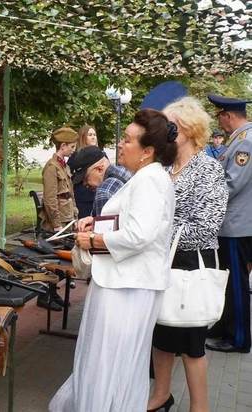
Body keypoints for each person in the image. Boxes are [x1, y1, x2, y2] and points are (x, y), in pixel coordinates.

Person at [49, 109, 178, 412]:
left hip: (128, 287)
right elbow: (132, 224)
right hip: (125, 282)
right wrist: (98, 223)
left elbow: (139, 235)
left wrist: (94, 240)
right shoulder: (145, 177)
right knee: (111, 364)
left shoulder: (150, 180)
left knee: (109, 363)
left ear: (148, 151)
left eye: (129, 140)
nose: (121, 144)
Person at [147, 97, 228, 412]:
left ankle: (200, 406)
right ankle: (160, 396)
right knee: (161, 335)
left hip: (192, 264)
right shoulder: (164, 166)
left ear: (189, 129)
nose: (164, 131)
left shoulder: (208, 168)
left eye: (171, 126)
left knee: (192, 344)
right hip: (161, 263)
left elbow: (207, 228)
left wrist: (159, 234)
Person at [205, 94, 252, 353]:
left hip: (237, 225)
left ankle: (239, 338)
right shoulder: (238, 140)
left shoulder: (246, 143)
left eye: (219, 116)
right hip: (234, 224)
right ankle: (225, 327)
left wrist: (202, 195)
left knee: (236, 283)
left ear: (229, 115)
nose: (219, 122)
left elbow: (231, 184)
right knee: (228, 280)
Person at [70, 145, 131, 216]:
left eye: (85, 178)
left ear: (99, 169)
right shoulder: (126, 171)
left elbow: (104, 226)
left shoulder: (103, 192)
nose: (84, 184)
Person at [40, 127, 79, 233]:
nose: (74, 150)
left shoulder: (65, 167)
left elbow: (71, 193)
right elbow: (50, 199)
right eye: (72, 146)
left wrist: (75, 216)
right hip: (58, 222)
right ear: (63, 146)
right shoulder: (51, 167)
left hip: (68, 217)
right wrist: (56, 224)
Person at [69, 125, 98, 218]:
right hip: (83, 197)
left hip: (97, 195)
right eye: (90, 135)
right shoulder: (76, 156)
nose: (93, 137)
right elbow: (69, 172)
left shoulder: (101, 154)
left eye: (94, 134)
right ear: (83, 137)